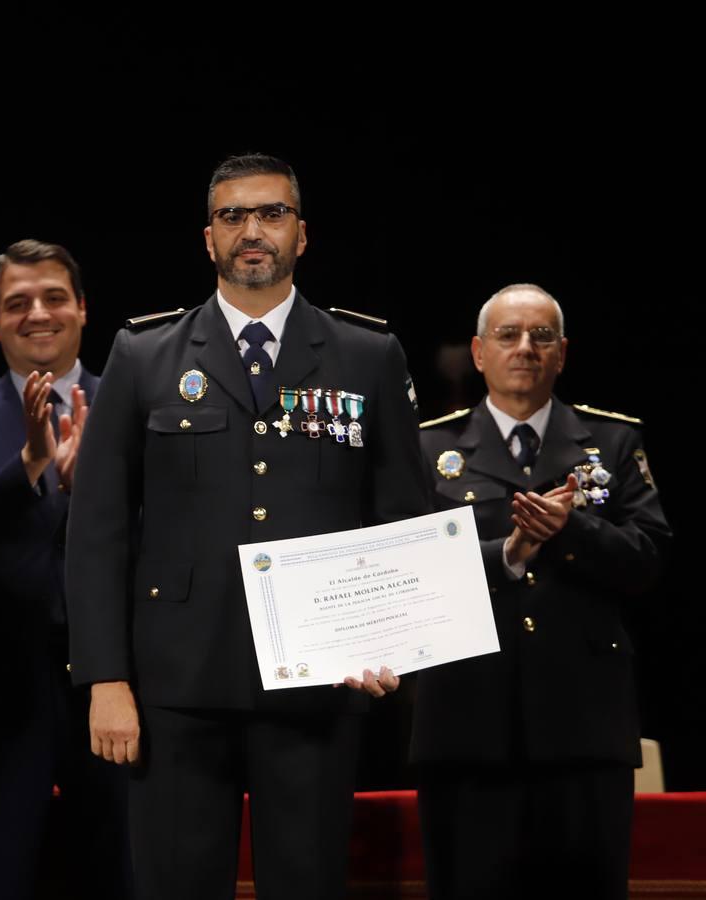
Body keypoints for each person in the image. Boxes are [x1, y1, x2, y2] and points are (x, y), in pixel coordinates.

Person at [65, 153, 432, 899]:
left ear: (303, 234)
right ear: (208, 239)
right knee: (175, 883)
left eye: (270, 214)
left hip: (320, 678)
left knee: (307, 880)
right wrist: (105, 677)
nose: (251, 231)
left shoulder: (366, 353)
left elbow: (404, 517)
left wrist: (395, 640)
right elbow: (97, 529)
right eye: (233, 216)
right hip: (176, 682)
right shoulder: (145, 353)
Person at [412, 283, 672, 900]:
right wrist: (502, 556)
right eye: (508, 335)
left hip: (583, 724)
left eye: (541, 336)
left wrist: (573, 529)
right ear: (478, 352)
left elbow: (650, 561)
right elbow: (409, 572)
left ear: (562, 353)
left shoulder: (612, 442)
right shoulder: (429, 447)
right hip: (467, 720)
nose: (524, 348)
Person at [0, 239, 130, 899]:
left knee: (122, 877)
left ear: (83, 309)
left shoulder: (133, 408)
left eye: (54, 298)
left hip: (117, 690)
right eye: (17, 303)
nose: (37, 314)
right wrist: (29, 467)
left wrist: (89, 493)